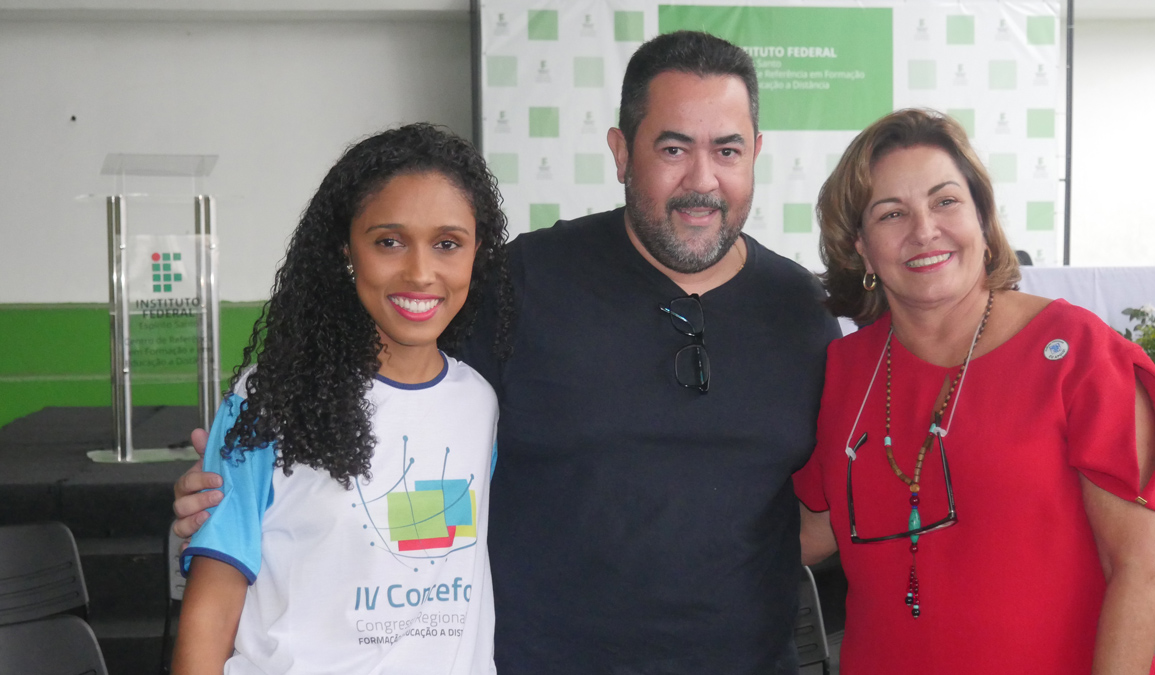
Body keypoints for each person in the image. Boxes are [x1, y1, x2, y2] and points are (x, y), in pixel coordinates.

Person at [175, 31, 840, 674]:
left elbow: (818, 518)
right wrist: (235, 481)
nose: (703, 179)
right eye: (673, 148)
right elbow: (386, 397)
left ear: (756, 152)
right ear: (621, 152)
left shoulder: (802, 313)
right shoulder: (522, 282)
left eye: (727, 150)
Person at [793, 108, 1155, 674]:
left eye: (945, 201)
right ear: (862, 249)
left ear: (982, 217)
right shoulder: (846, 369)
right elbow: (815, 532)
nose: (924, 230)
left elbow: (1141, 569)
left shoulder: (1082, 355)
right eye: (892, 213)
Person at [172, 124, 511, 675]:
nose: (420, 272)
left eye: (447, 244)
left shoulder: (479, 403)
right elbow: (211, 609)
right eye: (389, 242)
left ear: (478, 253)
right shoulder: (271, 399)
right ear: (345, 250)